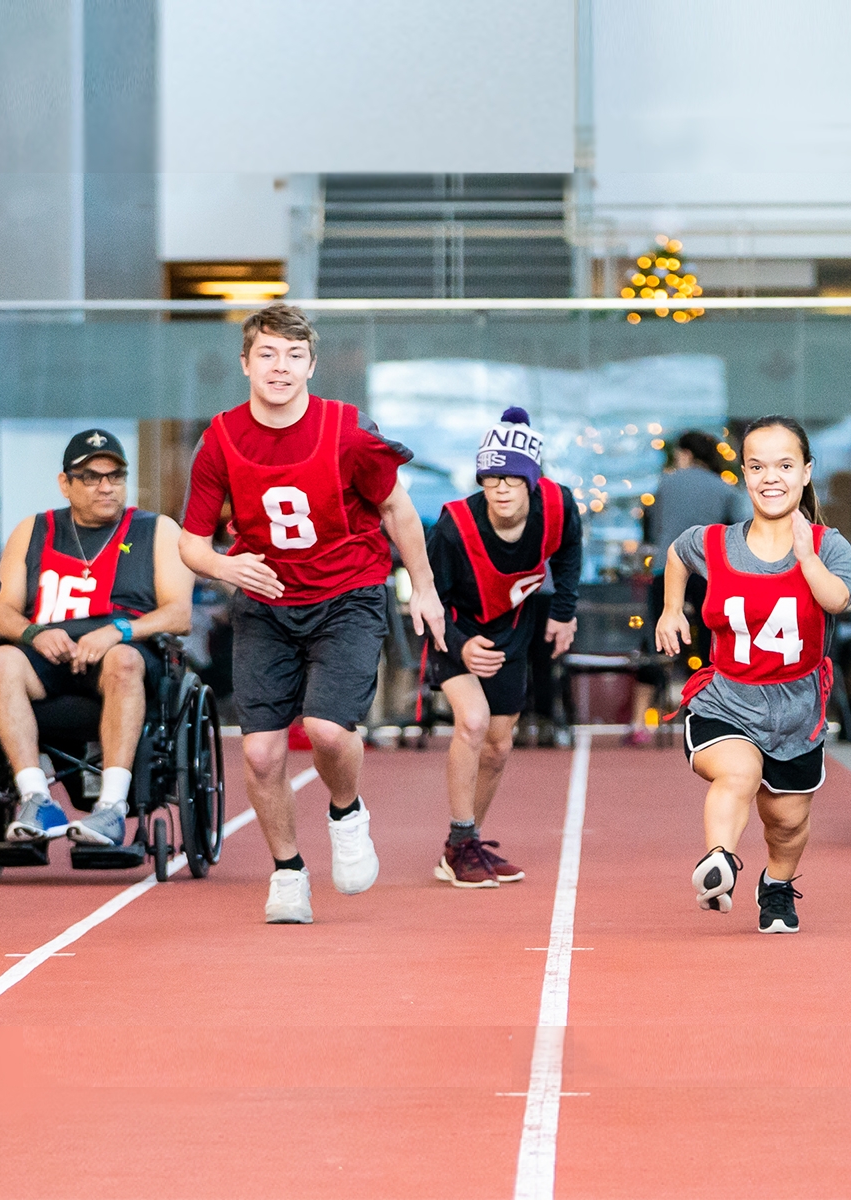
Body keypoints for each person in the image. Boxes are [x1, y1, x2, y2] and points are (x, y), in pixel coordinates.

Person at [177, 302, 445, 924]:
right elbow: (190, 541)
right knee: (263, 754)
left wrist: (423, 588)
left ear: (311, 366)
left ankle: (347, 812)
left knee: (326, 731)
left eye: (294, 356)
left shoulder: (346, 429)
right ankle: (289, 872)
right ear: (245, 364)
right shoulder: (219, 439)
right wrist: (223, 566)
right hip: (267, 604)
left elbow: (398, 513)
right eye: (267, 354)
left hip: (347, 595)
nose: (280, 367)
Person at [657, 416, 851, 935]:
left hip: (797, 709)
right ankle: (719, 860)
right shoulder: (717, 542)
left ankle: (775, 885)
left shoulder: (829, 545)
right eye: (757, 466)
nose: (771, 477)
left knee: (787, 823)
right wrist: (671, 610)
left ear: (807, 472)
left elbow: (838, 597)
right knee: (738, 773)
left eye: (785, 465)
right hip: (726, 698)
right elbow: (678, 553)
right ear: (744, 475)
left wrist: (806, 558)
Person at [0, 430, 192, 848]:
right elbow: (1, 611)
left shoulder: (157, 530)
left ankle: (111, 808)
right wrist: (34, 633)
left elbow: (179, 614)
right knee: (0, 662)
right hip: (47, 658)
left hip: (125, 657)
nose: (106, 486)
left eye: (115, 476)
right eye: (92, 477)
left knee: (124, 662)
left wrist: (119, 631)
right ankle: (36, 798)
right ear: (66, 484)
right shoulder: (34, 529)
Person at [423, 408, 582, 888]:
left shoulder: (558, 506)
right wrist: (459, 645)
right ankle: (461, 836)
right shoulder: (454, 527)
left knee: (497, 745)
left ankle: (463, 848)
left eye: (512, 477)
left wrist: (564, 611)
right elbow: (429, 600)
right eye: (490, 478)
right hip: (452, 629)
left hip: (512, 631)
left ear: (532, 480)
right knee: (471, 723)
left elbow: (570, 549)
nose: (501, 489)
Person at [626, 430, 750, 744]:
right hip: (711, 574)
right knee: (713, 643)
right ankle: (715, 716)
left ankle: (641, 724)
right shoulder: (724, 488)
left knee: (657, 643)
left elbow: (651, 529)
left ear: (686, 453)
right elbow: (739, 531)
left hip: (666, 569)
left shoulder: (665, 484)